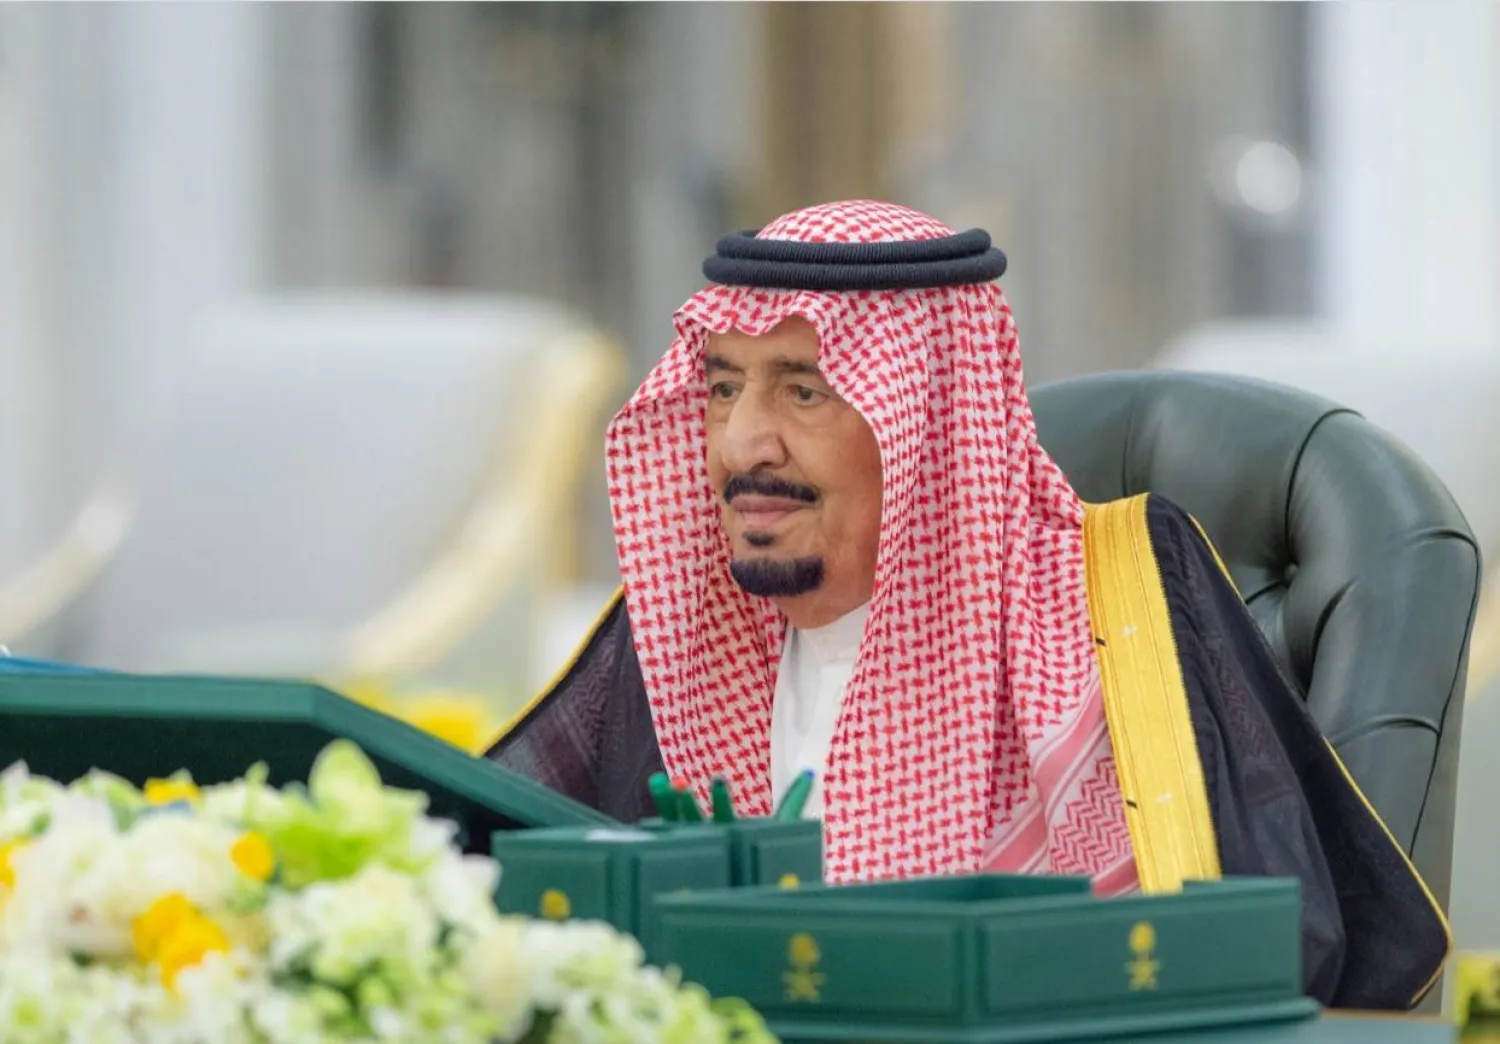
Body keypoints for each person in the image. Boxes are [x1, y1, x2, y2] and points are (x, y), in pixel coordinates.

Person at [485, 200, 1447, 1009]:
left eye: (805, 392)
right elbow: (505, 889)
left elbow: (1277, 958)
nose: (742, 446)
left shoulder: (1126, 611)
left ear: (929, 420)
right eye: (723, 387)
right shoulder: (678, 634)